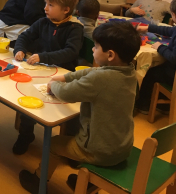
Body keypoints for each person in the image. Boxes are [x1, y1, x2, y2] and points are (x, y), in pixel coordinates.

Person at [18, 22, 141, 193]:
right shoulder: (129, 72)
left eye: (96, 46)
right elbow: (89, 73)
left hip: (99, 150)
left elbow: (67, 94)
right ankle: (89, 182)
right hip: (122, 147)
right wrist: (64, 76)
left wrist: (53, 85)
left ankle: (38, 181)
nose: (92, 49)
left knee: (53, 144)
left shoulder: (102, 79)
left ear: (110, 55)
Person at [12, 0, 83, 155]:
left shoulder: (75, 28)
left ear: (66, 10)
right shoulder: (43, 22)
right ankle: (26, 134)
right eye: (46, 3)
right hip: (42, 71)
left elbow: (70, 52)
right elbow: (24, 36)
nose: (45, 8)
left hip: (64, 74)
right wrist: (19, 49)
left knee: (72, 107)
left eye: (50, 5)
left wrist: (43, 57)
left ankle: (71, 143)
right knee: (29, 97)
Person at [135, 0, 176, 114]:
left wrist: (159, 47)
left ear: (173, 15)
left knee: (150, 73)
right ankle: (162, 104)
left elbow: (174, 58)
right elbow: (168, 30)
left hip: (173, 75)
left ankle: (144, 105)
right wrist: (148, 27)